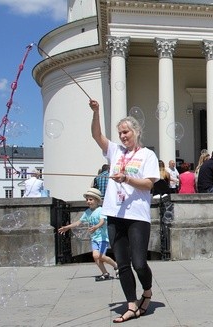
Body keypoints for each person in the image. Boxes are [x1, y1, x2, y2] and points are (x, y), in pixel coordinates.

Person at [89, 99, 159, 323]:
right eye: (120, 133)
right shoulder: (115, 151)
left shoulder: (147, 155)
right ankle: (131, 304)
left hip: (137, 216)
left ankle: (147, 291)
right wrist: (97, 112)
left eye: (126, 132)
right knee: (123, 263)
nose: (123, 136)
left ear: (136, 131)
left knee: (139, 262)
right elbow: (97, 136)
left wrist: (127, 178)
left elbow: (148, 184)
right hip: (114, 214)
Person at [58, 188, 118, 281]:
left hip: (102, 238)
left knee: (101, 256)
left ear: (97, 200)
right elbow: (78, 222)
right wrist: (67, 227)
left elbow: (102, 221)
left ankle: (116, 266)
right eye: (87, 200)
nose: (88, 201)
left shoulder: (101, 210)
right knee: (95, 256)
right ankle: (105, 273)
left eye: (91, 199)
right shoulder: (87, 212)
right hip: (94, 238)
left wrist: (96, 227)